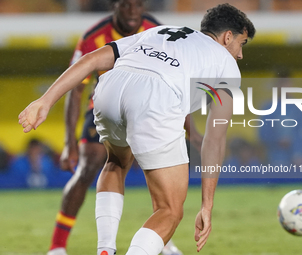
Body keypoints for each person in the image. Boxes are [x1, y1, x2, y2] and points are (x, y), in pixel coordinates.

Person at [19, 3, 255, 254]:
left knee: (116, 162)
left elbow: (91, 60)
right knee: (170, 210)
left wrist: (44, 101)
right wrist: (207, 206)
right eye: (242, 43)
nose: (240, 54)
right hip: (155, 99)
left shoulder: (162, 31)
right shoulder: (227, 66)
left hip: (110, 90)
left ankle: (106, 249)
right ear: (228, 37)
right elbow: (215, 139)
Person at [46, 0, 183, 255]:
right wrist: (70, 142)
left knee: (158, 171)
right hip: (105, 107)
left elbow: (176, 80)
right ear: (114, 6)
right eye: (126, 5)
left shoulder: (157, 31)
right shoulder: (93, 37)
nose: (132, 11)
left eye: (138, 5)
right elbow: (77, 90)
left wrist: (188, 127)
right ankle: (57, 246)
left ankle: (161, 239)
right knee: (89, 165)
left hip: (148, 108)